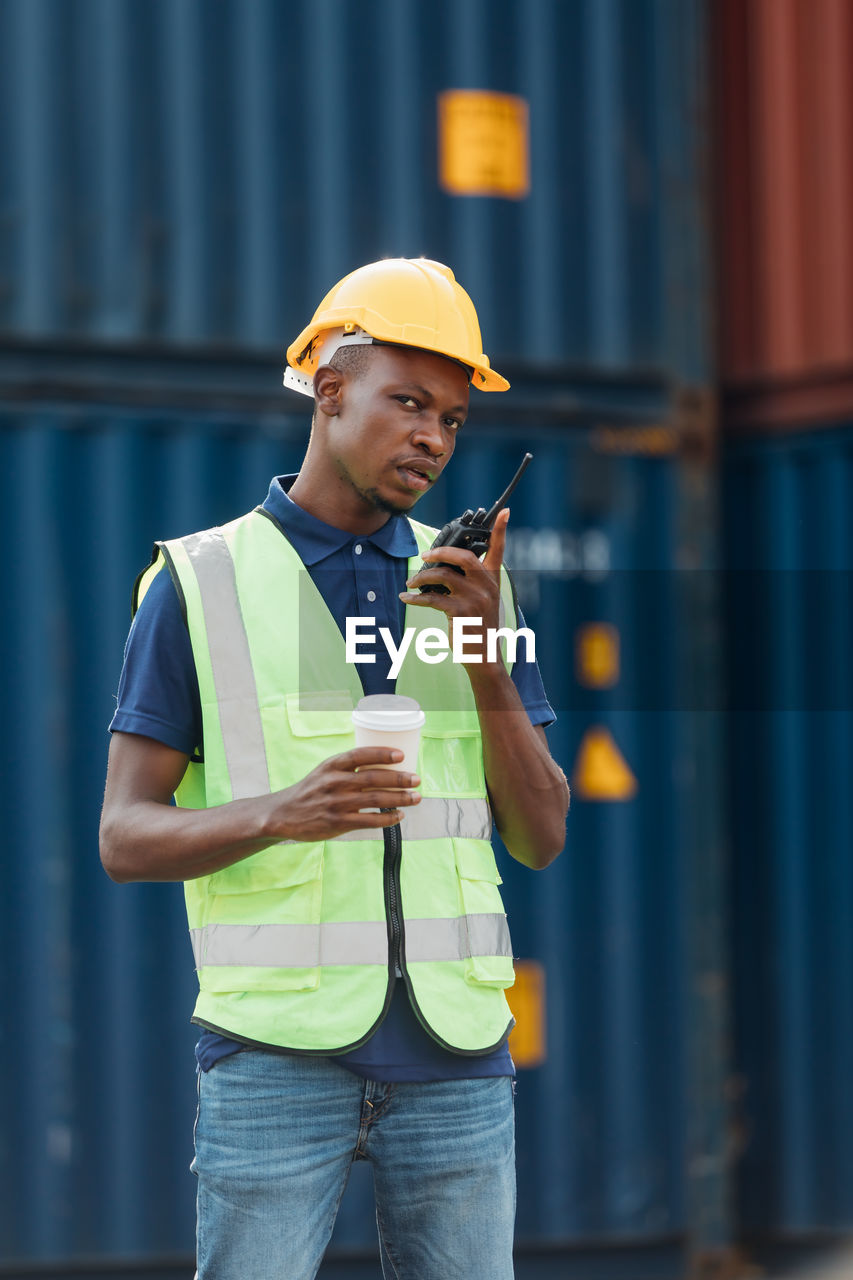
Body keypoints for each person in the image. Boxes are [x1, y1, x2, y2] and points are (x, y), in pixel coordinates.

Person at [100, 257, 570, 1280]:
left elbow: (540, 833)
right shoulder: (200, 582)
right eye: (408, 402)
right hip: (273, 1059)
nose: (431, 439)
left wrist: (486, 656)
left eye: (450, 419)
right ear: (330, 390)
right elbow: (124, 838)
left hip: (458, 1063)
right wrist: (283, 810)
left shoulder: (476, 595)